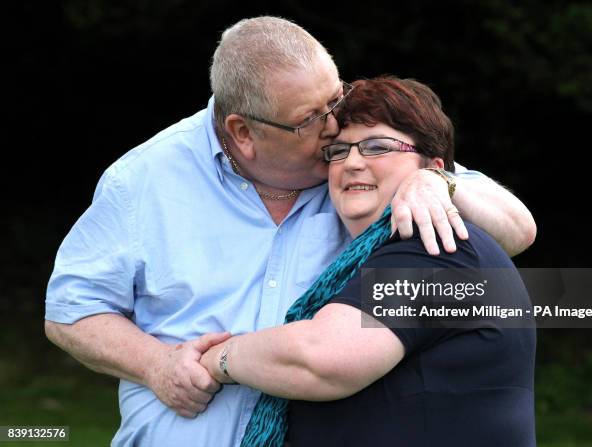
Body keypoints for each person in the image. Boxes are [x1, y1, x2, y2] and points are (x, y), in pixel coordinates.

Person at [44, 17, 536, 447]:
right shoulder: (143, 180)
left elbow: (516, 233)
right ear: (243, 132)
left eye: (334, 98)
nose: (331, 127)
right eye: (309, 119)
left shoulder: (361, 161)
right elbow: (71, 311)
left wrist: (440, 183)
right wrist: (157, 364)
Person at [199, 76, 536, 447]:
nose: (353, 163)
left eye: (377, 147)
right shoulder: (377, 252)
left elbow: (322, 360)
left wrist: (219, 359)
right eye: (339, 151)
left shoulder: (434, 248)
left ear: (433, 166)